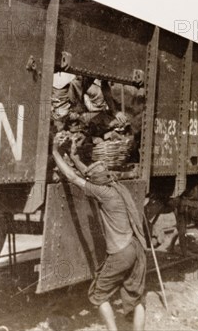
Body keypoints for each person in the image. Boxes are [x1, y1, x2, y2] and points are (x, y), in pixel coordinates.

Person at [51, 135, 147, 331]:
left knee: (98, 295)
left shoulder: (102, 193)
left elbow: (73, 178)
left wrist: (54, 151)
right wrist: (73, 156)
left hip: (121, 251)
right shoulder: (116, 185)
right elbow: (88, 173)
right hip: (136, 247)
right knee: (135, 298)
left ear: (97, 183)